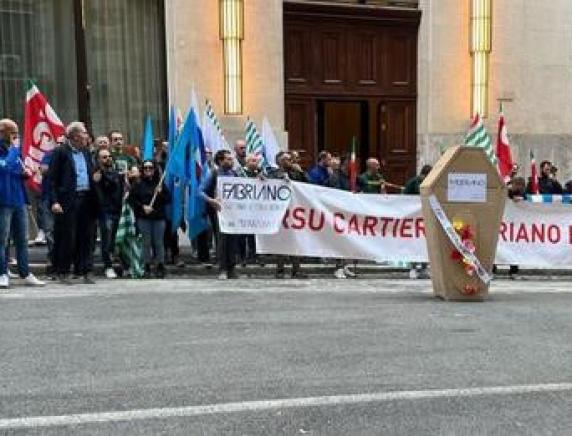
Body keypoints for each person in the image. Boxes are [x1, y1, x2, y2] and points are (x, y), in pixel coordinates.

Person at [49, 121, 98, 284]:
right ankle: (62, 270)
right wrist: (55, 201)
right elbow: (52, 179)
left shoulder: (86, 152)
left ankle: (84, 269)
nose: (87, 136)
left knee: (87, 236)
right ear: (76, 135)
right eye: (84, 133)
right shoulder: (60, 152)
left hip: (87, 199)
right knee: (67, 237)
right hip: (68, 200)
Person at [0, 119, 45, 288]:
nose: (16, 137)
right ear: (3, 132)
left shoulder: (15, 152)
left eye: (17, 134)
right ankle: (2, 273)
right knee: (2, 239)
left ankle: (25, 272)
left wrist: (25, 173)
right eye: (13, 133)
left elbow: (14, 170)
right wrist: (13, 150)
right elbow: (3, 167)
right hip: (3, 201)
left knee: (22, 238)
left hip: (19, 199)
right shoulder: (12, 150)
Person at [267, 151, 308, 279]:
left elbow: (309, 185)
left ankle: (296, 270)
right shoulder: (272, 174)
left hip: (294, 212)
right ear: (278, 161)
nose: (289, 161)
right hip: (279, 213)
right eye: (285, 159)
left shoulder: (296, 173)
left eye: (290, 159)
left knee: (295, 240)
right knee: (280, 241)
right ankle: (280, 270)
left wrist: (301, 172)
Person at [201, 149, 240, 280]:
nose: (231, 161)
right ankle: (222, 269)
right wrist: (211, 200)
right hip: (220, 213)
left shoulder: (235, 174)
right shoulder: (214, 173)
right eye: (228, 159)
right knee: (222, 240)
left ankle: (232, 268)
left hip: (233, 212)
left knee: (233, 240)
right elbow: (200, 191)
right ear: (220, 161)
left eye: (231, 158)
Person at [129, 160, 170, 278]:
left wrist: (161, 193)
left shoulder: (160, 184)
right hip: (143, 218)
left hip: (158, 218)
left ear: (154, 169)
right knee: (145, 243)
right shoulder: (137, 184)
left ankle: (160, 266)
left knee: (158, 243)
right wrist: (142, 207)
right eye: (145, 168)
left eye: (150, 168)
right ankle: (146, 266)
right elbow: (132, 200)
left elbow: (168, 199)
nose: (148, 170)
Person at [93, 148, 125, 279]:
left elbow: (116, 186)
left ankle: (118, 263)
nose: (108, 159)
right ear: (99, 159)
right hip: (105, 211)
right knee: (106, 239)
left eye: (109, 156)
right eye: (104, 157)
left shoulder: (116, 173)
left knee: (114, 240)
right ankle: (108, 266)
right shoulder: (95, 174)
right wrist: (96, 180)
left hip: (117, 210)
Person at [327, 154, 356, 279]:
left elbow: (361, 184)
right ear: (344, 164)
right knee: (339, 241)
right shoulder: (336, 176)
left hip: (349, 213)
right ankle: (338, 267)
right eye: (350, 163)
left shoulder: (351, 177)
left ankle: (345, 265)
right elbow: (335, 192)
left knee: (347, 241)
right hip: (338, 213)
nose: (352, 166)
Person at [403, 164, 433, 279]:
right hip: (414, 217)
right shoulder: (419, 181)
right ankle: (414, 267)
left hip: (422, 217)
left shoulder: (421, 180)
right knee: (415, 243)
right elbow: (420, 194)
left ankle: (423, 268)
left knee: (424, 243)